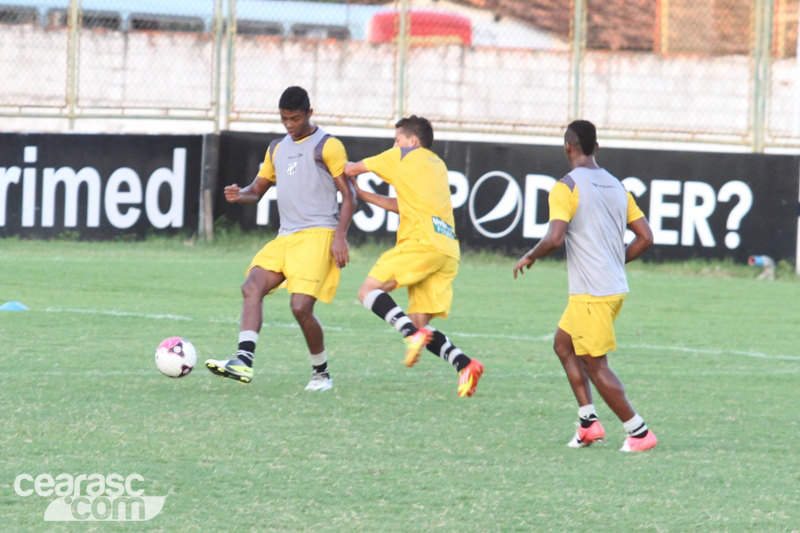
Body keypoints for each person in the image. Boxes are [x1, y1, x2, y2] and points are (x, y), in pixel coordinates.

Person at [513, 120, 657, 452]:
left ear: (567, 147)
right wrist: (614, 262)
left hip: (592, 292)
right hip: (610, 288)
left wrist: (531, 256)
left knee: (595, 363)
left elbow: (554, 237)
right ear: (596, 148)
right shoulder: (617, 186)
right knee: (563, 345)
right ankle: (588, 423)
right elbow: (646, 237)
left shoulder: (566, 186)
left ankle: (638, 432)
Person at [206, 86, 355, 391]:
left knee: (300, 308)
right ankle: (243, 362)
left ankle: (321, 374)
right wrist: (240, 195)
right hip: (286, 237)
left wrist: (340, 237)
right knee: (251, 286)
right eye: (284, 118)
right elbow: (256, 192)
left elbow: (349, 195)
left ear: (309, 114)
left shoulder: (327, 146)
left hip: (318, 235)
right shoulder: (276, 148)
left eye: (295, 118)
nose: (289, 124)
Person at [344, 115, 484, 397]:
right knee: (420, 323)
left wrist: (323, 159)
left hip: (421, 242)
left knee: (368, 290)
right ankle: (466, 364)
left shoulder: (402, 155)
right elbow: (404, 205)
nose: (394, 144)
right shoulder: (438, 165)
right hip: (446, 249)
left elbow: (349, 169)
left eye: (397, 139)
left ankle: (411, 335)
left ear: (412, 141)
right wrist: (365, 196)